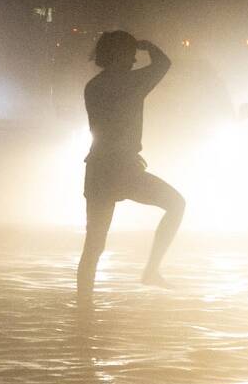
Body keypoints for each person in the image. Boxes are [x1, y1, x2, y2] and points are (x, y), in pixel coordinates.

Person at [77, 31, 185, 303]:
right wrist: (147, 43)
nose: (135, 59)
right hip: (122, 168)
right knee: (176, 204)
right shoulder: (131, 83)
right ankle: (151, 270)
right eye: (131, 53)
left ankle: (83, 306)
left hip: (100, 168)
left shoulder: (94, 86)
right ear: (119, 54)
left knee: (94, 245)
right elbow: (163, 64)